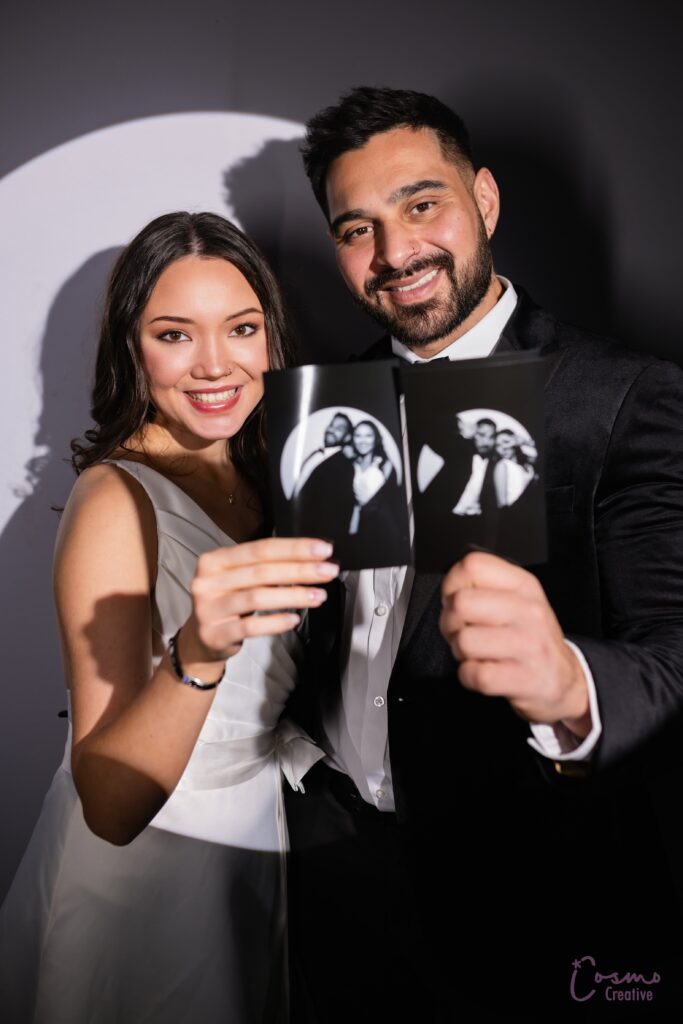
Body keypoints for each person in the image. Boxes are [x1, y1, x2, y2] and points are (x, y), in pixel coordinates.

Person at [285, 86, 683, 1017]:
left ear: (486, 202)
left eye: (421, 204)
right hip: (343, 889)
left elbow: (673, 648)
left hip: (539, 903)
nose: (394, 254)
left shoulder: (623, 396)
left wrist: (570, 686)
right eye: (356, 228)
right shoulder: (320, 405)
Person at [0, 211, 337, 1024]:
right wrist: (198, 650)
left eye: (242, 328)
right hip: (148, 874)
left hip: (256, 841)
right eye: (176, 335)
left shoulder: (277, 473)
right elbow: (110, 804)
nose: (216, 364)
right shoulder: (115, 499)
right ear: (132, 349)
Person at [295, 411, 355, 538]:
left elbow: (335, 514)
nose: (332, 429)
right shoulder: (316, 454)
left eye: (339, 428)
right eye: (331, 425)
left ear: (347, 437)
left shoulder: (345, 466)